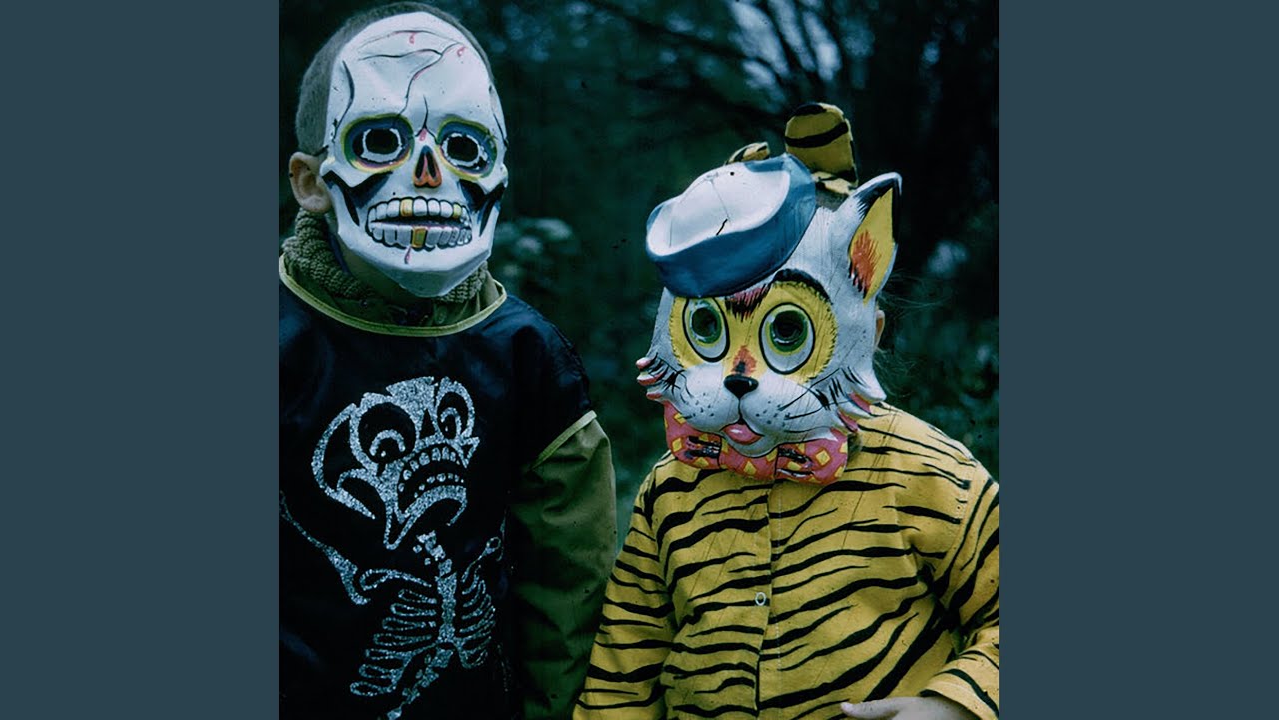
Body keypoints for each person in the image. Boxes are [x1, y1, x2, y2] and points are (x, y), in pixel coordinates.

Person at [575, 104, 999, 720]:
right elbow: (624, 667)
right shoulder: (670, 488)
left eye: (787, 331)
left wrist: (953, 707)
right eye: (707, 328)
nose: (741, 374)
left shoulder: (929, 473)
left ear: (872, 333)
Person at [278, 4, 617, 718]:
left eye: (464, 146)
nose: (429, 174)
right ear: (310, 181)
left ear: (499, 171)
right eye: (379, 140)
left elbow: (568, 583)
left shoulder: (528, 356)